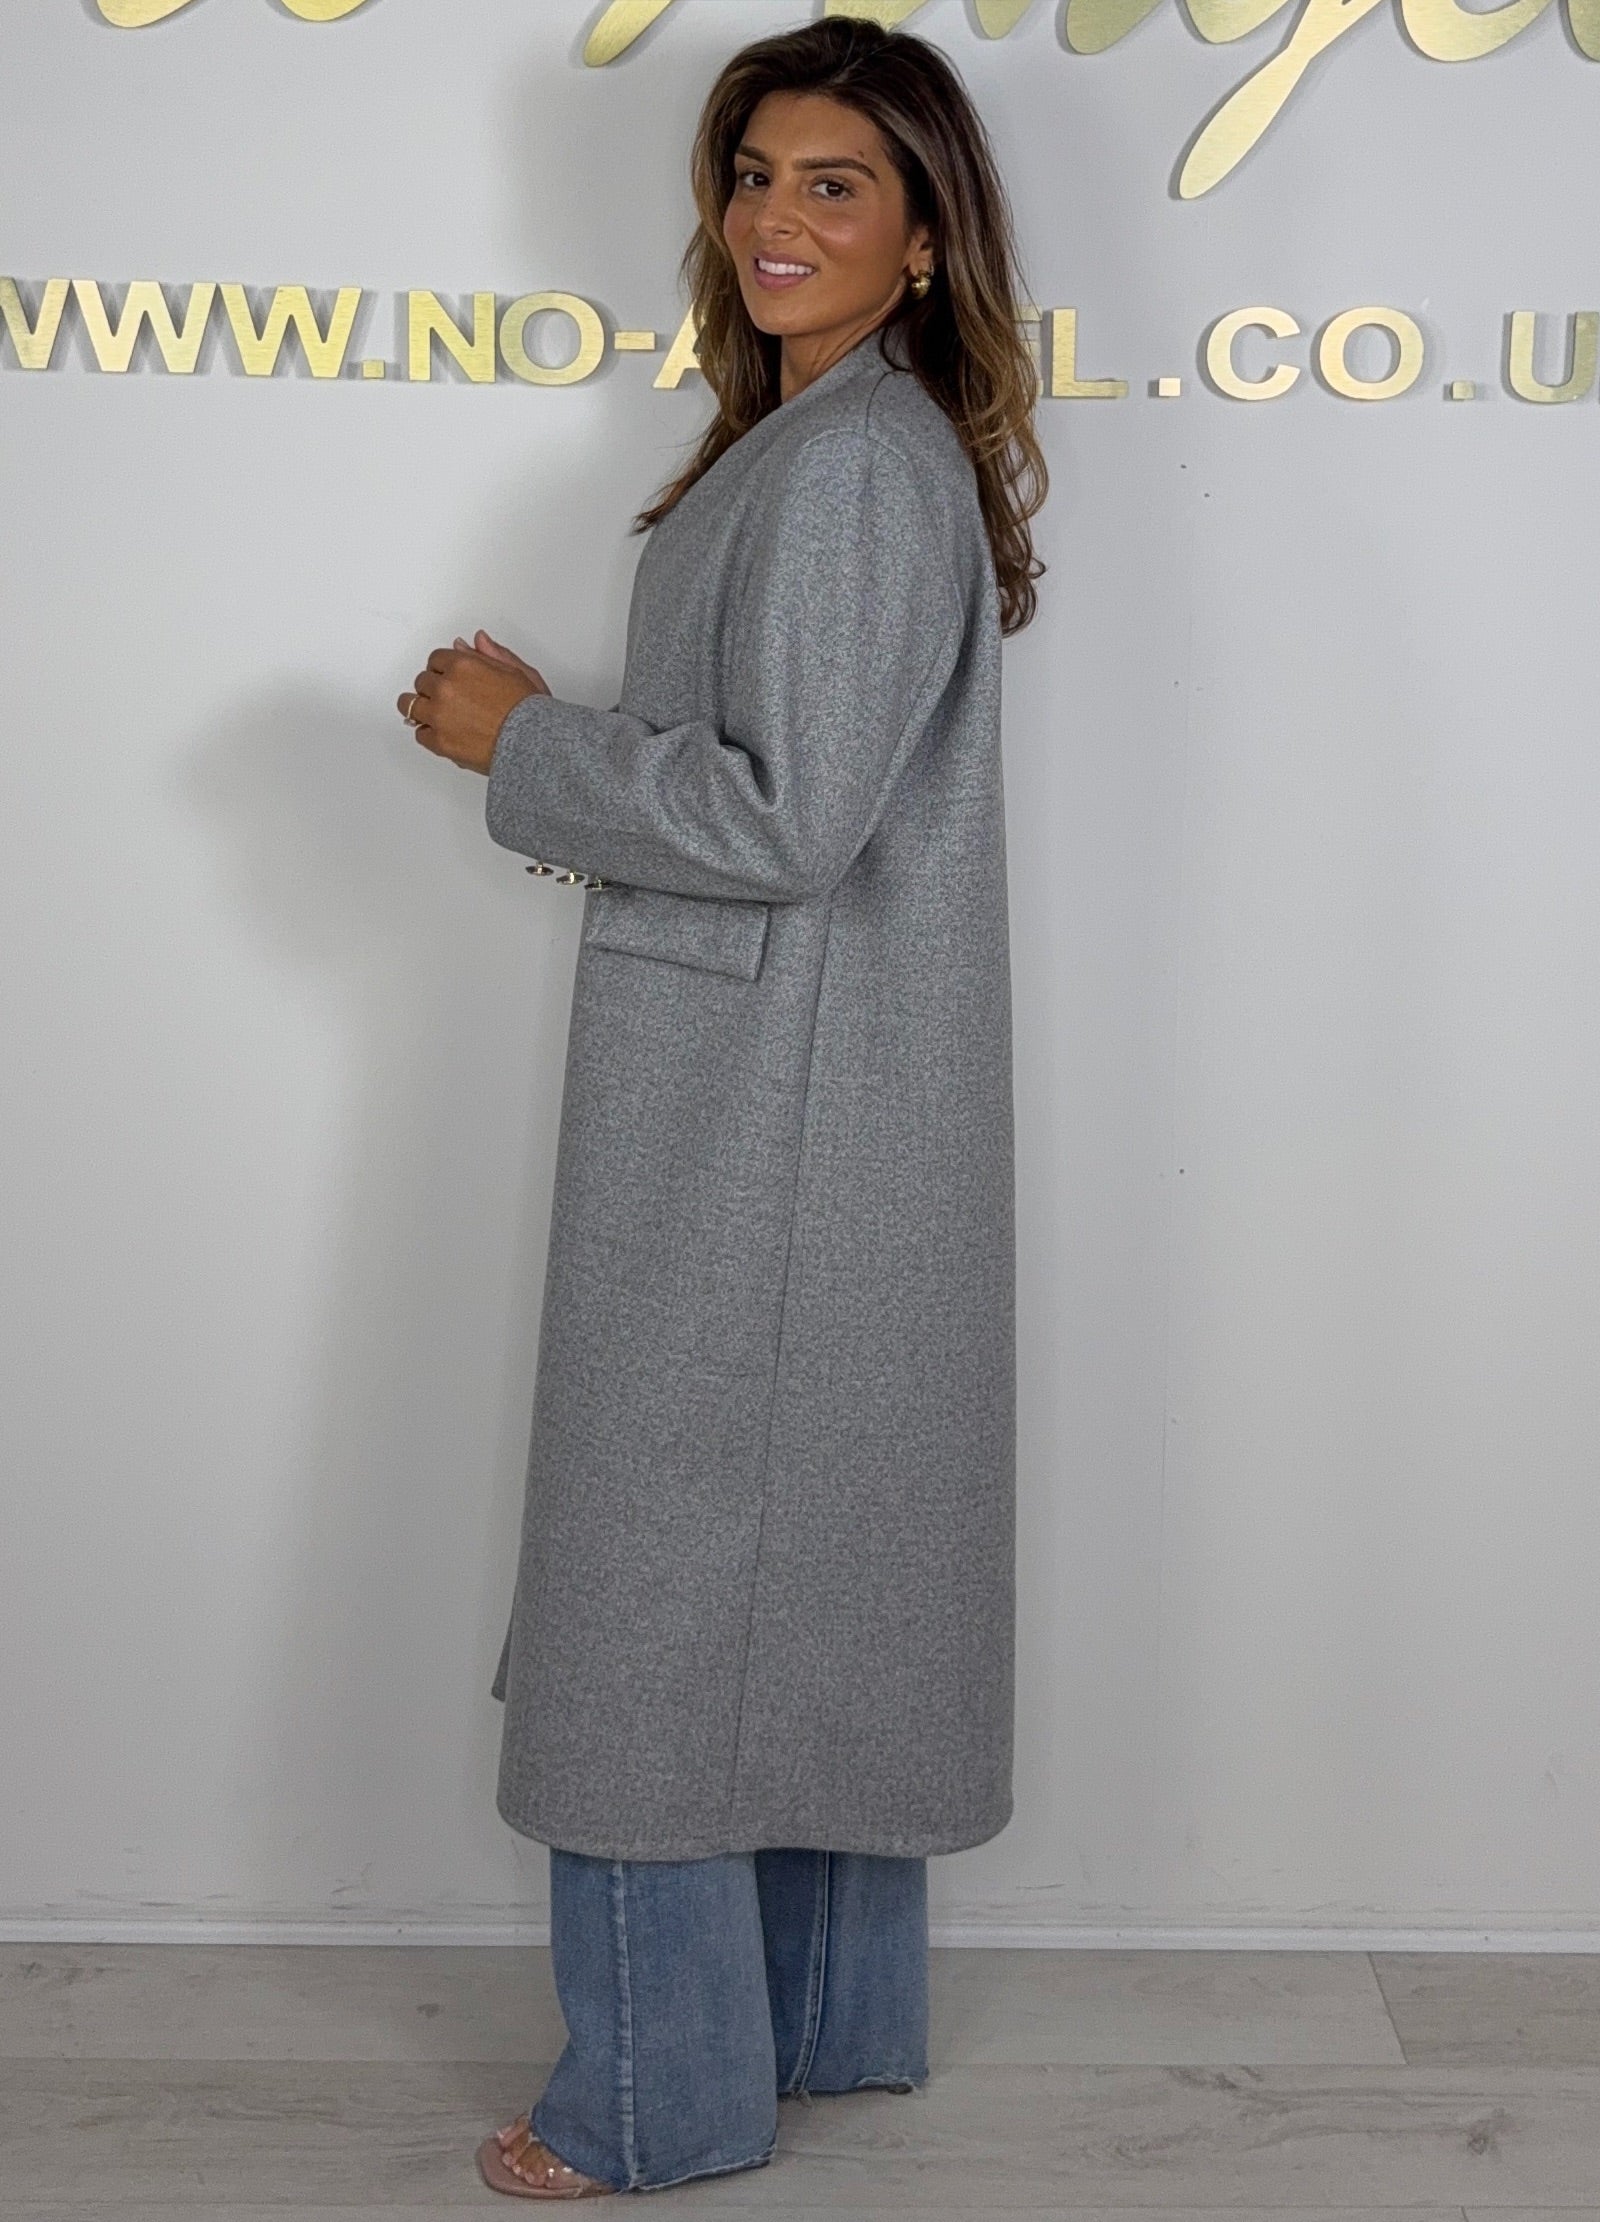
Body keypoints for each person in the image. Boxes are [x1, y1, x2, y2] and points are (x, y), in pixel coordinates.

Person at [397, 13, 1046, 2200]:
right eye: (754, 174)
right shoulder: (824, 439)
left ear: (926, 233)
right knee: (817, 1571)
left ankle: (660, 2095)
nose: (775, 217)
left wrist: (519, 742)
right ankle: (821, 2030)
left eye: (832, 183)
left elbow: (786, 821)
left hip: (770, 1126)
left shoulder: (853, 463)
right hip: (807, 1108)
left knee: (652, 1602)